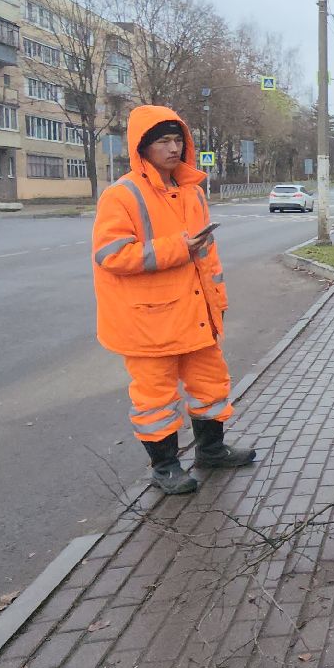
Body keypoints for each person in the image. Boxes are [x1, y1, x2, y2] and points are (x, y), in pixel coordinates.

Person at [91, 105, 260, 495]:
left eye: (177, 140)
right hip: (148, 322)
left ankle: (211, 451)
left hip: (196, 314)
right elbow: (111, 254)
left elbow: (207, 256)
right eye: (162, 141)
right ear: (142, 147)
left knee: (211, 386)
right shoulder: (122, 195)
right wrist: (176, 248)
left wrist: (217, 300)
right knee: (155, 399)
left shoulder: (191, 193)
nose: (172, 148)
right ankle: (165, 466)